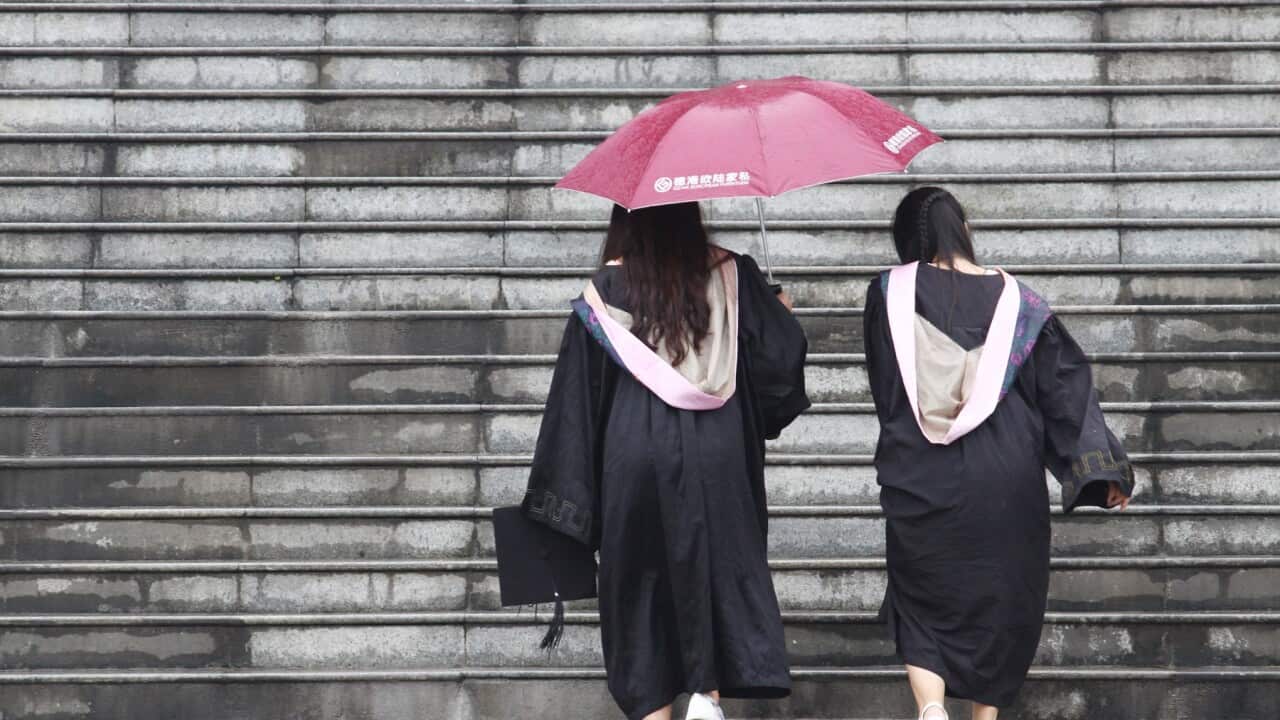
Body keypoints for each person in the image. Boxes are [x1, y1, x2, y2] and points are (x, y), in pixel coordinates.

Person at [520, 202, 811, 720]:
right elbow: (779, 366)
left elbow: (576, 403)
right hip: (717, 454)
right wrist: (778, 312)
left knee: (639, 592)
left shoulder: (606, 292)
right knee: (715, 572)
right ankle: (706, 697)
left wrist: (567, 503)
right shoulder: (732, 273)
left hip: (632, 458)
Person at [862, 187, 1136, 720]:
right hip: (1005, 474)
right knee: (1003, 599)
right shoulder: (1022, 304)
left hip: (920, 471)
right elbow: (1065, 393)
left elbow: (886, 386)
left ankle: (932, 707)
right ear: (962, 228)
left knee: (920, 599)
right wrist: (1101, 467)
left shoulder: (888, 294)